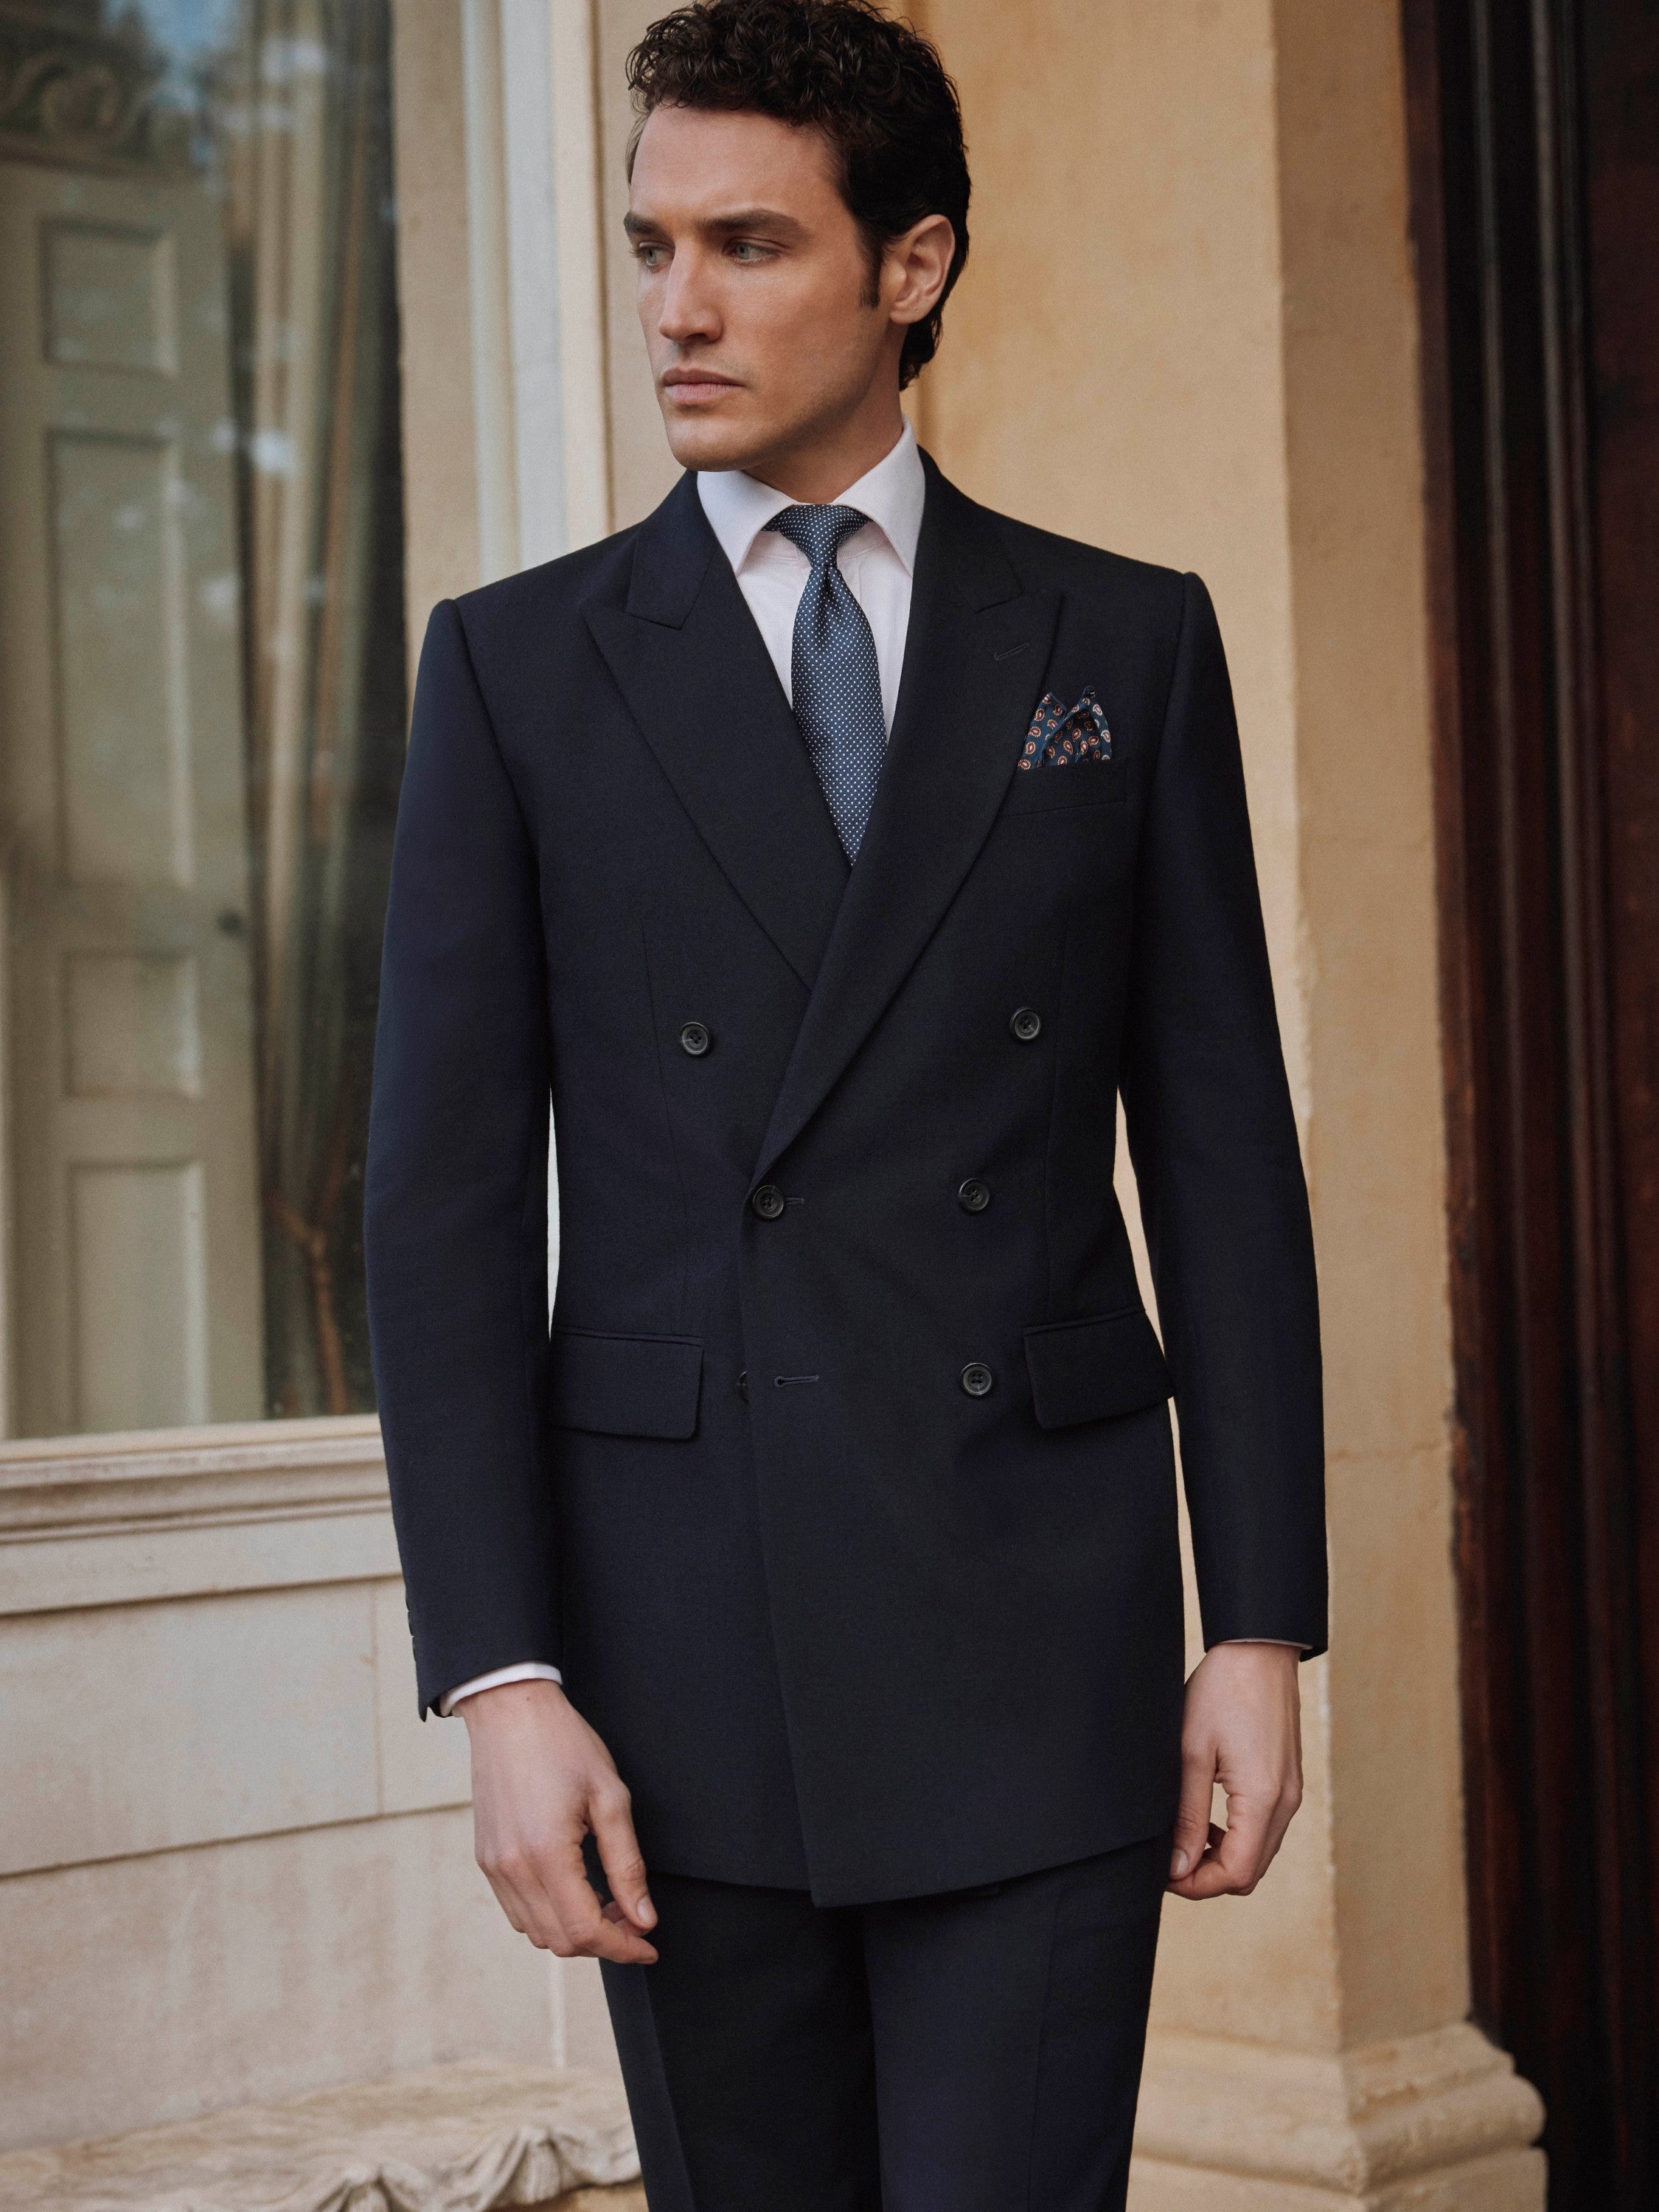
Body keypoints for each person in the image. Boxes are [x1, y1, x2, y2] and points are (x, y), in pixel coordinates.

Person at [365, 3, 1326, 2205]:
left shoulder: (1122, 641)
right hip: (676, 1652)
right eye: (649, 246)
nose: (674, 309)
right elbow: (437, 1208)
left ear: (911, 264)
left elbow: (1220, 1161)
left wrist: (1257, 1622)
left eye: (747, 243)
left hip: (1037, 1621)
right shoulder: (515, 668)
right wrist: (498, 1676)